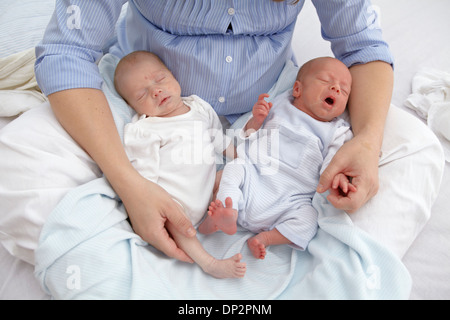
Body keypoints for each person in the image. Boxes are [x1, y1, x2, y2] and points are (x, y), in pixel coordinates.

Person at [1, 0, 437, 265]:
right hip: (145, 103)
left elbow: (363, 46)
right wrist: (128, 183)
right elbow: (66, 52)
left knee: (415, 150)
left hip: (278, 106)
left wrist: (366, 141)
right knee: (18, 171)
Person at [200, 57, 355, 259]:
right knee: (234, 168)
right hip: (254, 177)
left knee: (310, 217)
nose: (335, 89)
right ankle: (226, 213)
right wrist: (255, 120)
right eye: (326, 81)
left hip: (291, 198)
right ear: (297, 89)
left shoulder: (337, 131)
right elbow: (246, 136)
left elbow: (335, 161)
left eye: (343, 90)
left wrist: (339, 177)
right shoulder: (278, 105)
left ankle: (267, 238)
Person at [114, 50, 245, 278]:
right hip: (174, 204)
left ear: (173, 76)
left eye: (160, 79)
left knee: (232, 173)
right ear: (132, 106)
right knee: (178, 223)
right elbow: (144, 177)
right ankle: (209, 263)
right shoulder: (144, 129)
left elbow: (218, 138)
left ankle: (215, 220)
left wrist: (241, 158)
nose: (156, 91)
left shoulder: (199, 107)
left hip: (207, 189)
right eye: (142, 95)